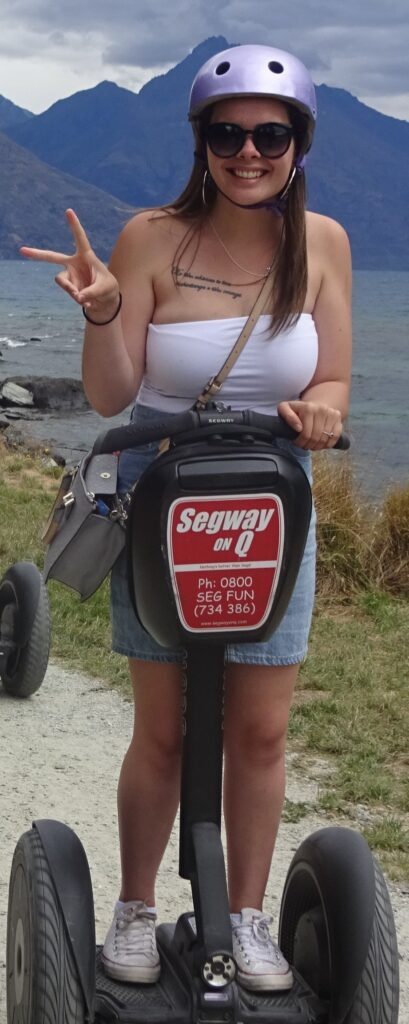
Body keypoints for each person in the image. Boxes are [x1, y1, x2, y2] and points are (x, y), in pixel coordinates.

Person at [21, 43, 352, 993]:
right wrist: (103, 312)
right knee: (162, 729)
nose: (248, 151)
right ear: (202, 139)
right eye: (227, 133)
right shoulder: (150, 237)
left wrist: (326, 407)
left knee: (258, 731)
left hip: (270, 509)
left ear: (298, 143)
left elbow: (330, 370)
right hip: (165, 502)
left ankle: (245, 917)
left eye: (270, 134)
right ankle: (132, 907)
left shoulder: (320, 243)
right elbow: (112, 393)